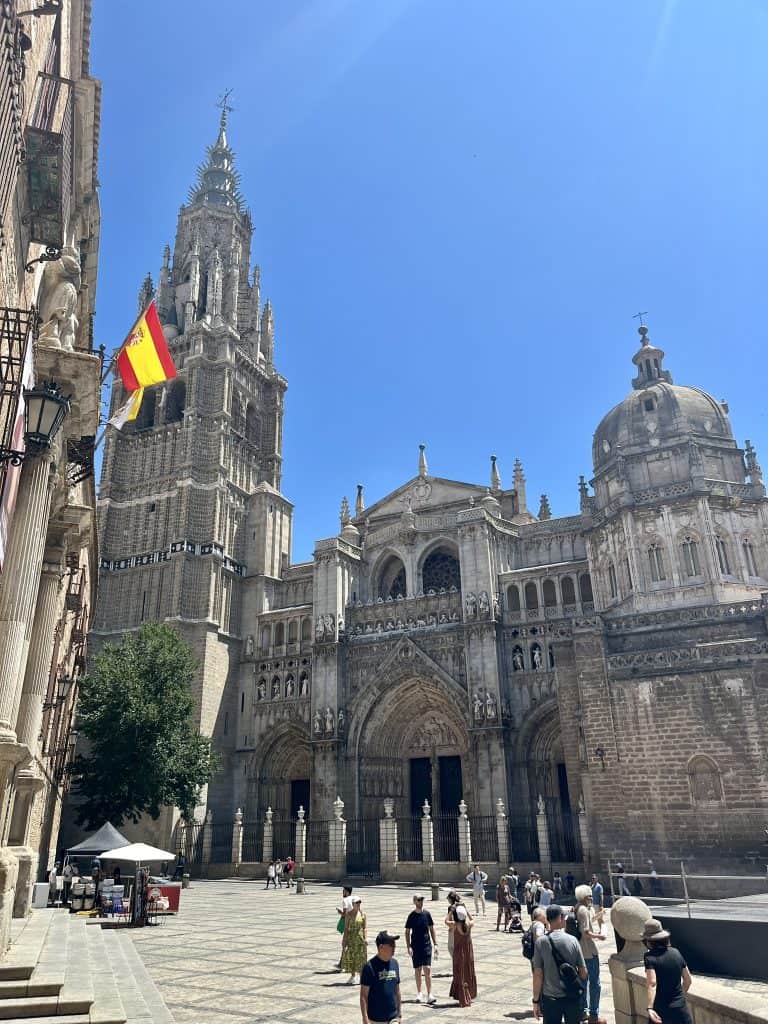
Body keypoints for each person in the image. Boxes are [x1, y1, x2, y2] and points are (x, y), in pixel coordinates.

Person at [532, 904, 587, 1024]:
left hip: (550, 999)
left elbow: (538, 974)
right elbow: (583, 972)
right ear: (561, 918)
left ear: (548, 919)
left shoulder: (541, 942)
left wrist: (536, 1001)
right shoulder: (573, 940)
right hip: (572, 997)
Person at [643, 919, 693, 1024]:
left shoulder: (649, 957)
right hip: (681, 1010)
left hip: (661, 1010)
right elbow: (688, 980)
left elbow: (652, 983)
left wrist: (650, 1008)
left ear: (648, 941)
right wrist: (679, 998)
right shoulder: (676, 952)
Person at [574, 884, 606, 1024]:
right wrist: (600, 936)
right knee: (595, 983)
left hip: (580, 951)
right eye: (589, 896)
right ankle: (594, 1013)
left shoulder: (578, 908)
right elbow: (586, 932)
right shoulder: (584, 911)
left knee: (583, 982)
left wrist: (598, 915)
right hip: (589, 951)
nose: (592, 898)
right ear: (583, 897)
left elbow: (586, 923)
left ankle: (583, 1011)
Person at [360, 930, 401, 1024]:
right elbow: (363, 996)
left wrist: (399, 1014)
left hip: (393, 1018)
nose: (394, 947)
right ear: (381, 947)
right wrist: (365, 1019)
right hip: (376, 1019)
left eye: (394, 944)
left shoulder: (395, 963)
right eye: (391, 944)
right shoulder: (369, 967)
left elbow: (397, 991)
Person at [405, 894, 437, 1005]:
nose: (421, 901)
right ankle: (419, 993)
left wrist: (435, 944)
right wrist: (408, 946)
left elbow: (432, 929)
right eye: (419, 900)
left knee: (427, 969)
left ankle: (430, 994)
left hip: (427, 945)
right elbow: (407, 932)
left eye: (422, 899)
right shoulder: (411, 916)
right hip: (415, 946)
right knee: (418, 970)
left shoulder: (427, 914)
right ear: (414, 901)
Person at [445, 903, 477, 1007]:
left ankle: (462, 997)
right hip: (468, 952)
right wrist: (466, 910)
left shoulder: (455, 924)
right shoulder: (468, 924)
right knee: (467, 973)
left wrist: (450, 911)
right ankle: (469, 994)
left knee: (460, 974)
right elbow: (473, 920)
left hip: (459, 953)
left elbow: (446, 921)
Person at [342, 895, 368, 984]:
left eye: (359, 902)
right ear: (353, 904)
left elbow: (364, 928)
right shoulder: (349, 915)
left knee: (361, 958)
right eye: (357, 903)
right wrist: (344, 941)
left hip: (360, 939)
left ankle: (362, 977)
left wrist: (366, 938)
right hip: (352, 939)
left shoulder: (363, 914)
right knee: (352, 957)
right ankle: (353, 976)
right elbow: (346, 928)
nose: (359, 904)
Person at [336, 885, 354, 969]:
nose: (342, 893)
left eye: (343, 891)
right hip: (354, 923)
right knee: (350, 944)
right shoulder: (354, 899)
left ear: (347, 892)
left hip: (348, 924)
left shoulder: (345, 900)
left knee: (344, 944)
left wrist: (340, 912)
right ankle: (344, 962)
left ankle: (342, 963)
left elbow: (345, 914)